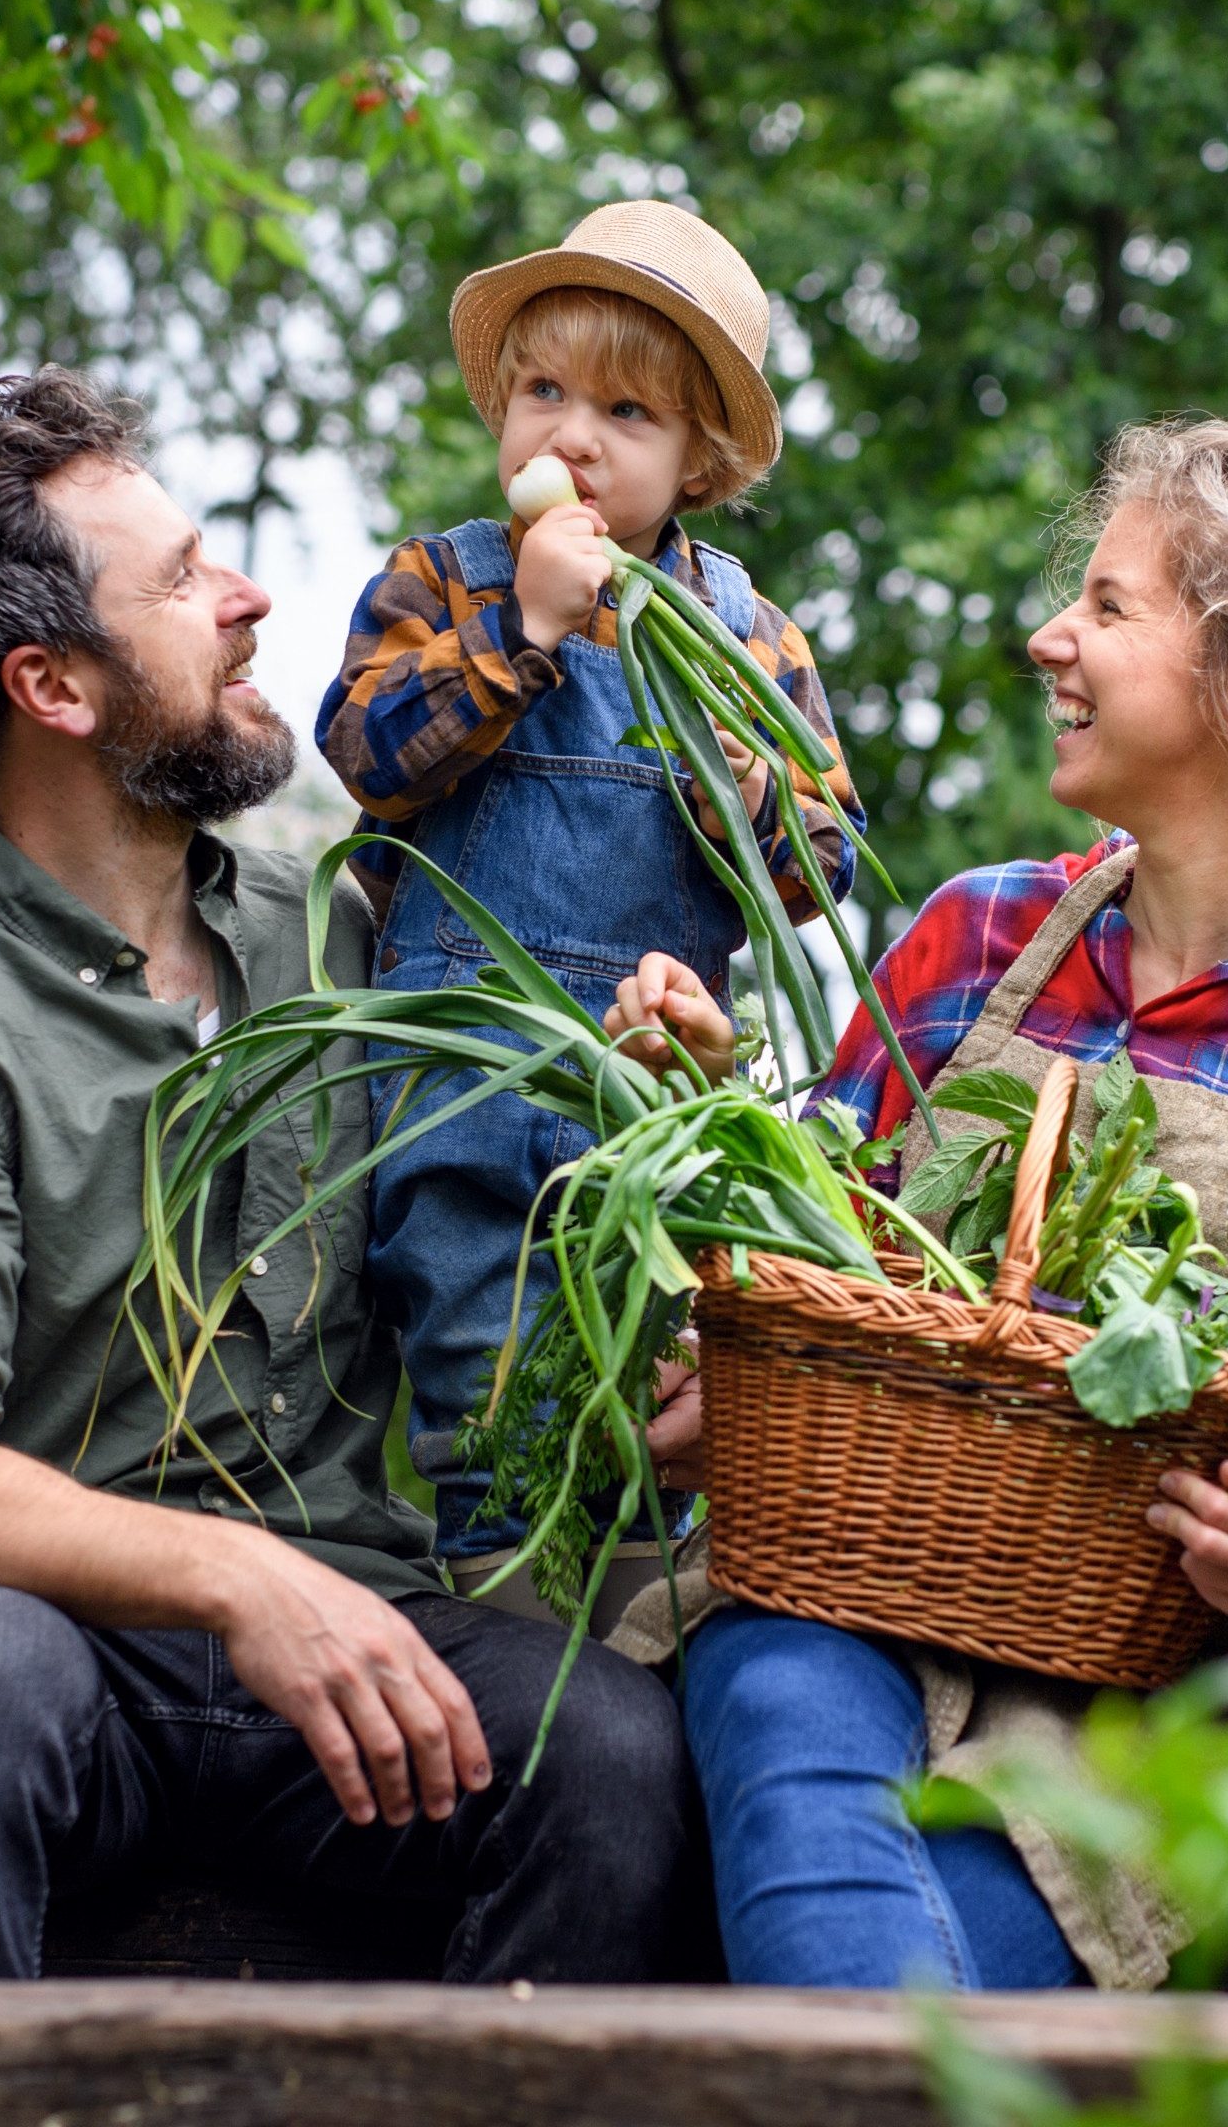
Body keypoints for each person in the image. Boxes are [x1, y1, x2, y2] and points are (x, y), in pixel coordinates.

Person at [0, 366, 702, 1982]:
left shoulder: (345, 948)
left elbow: (495, 1244)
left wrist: (642, 1119)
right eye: (188, 578)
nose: (253, 596)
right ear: (54, 689)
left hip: (352, 1666)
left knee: (611, 1751)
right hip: (80, 1663)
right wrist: (232, 1581)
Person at [636, 412, 1228, 1992]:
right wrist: (721, 1175)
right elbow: (823, 1259)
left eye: (1111, 608)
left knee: (898, 1956)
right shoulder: (970, 943)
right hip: (855, 1594)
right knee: (785, 1707)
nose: (1049, 636)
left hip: (1165, 1701)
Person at [314, 199, 858, 1588]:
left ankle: (642, 1632)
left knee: (655, 1400)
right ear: (502, 404)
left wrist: (748, 795)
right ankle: (515, 1630)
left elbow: (825, 862)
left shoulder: (750, 633)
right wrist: (525, 630)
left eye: (627, 411)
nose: (573, 436)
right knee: (495, 1404)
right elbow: (365, 752)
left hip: (652, 1096)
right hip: (464, 1082)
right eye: (545, 391)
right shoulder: (442, 581)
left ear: (700, 464)